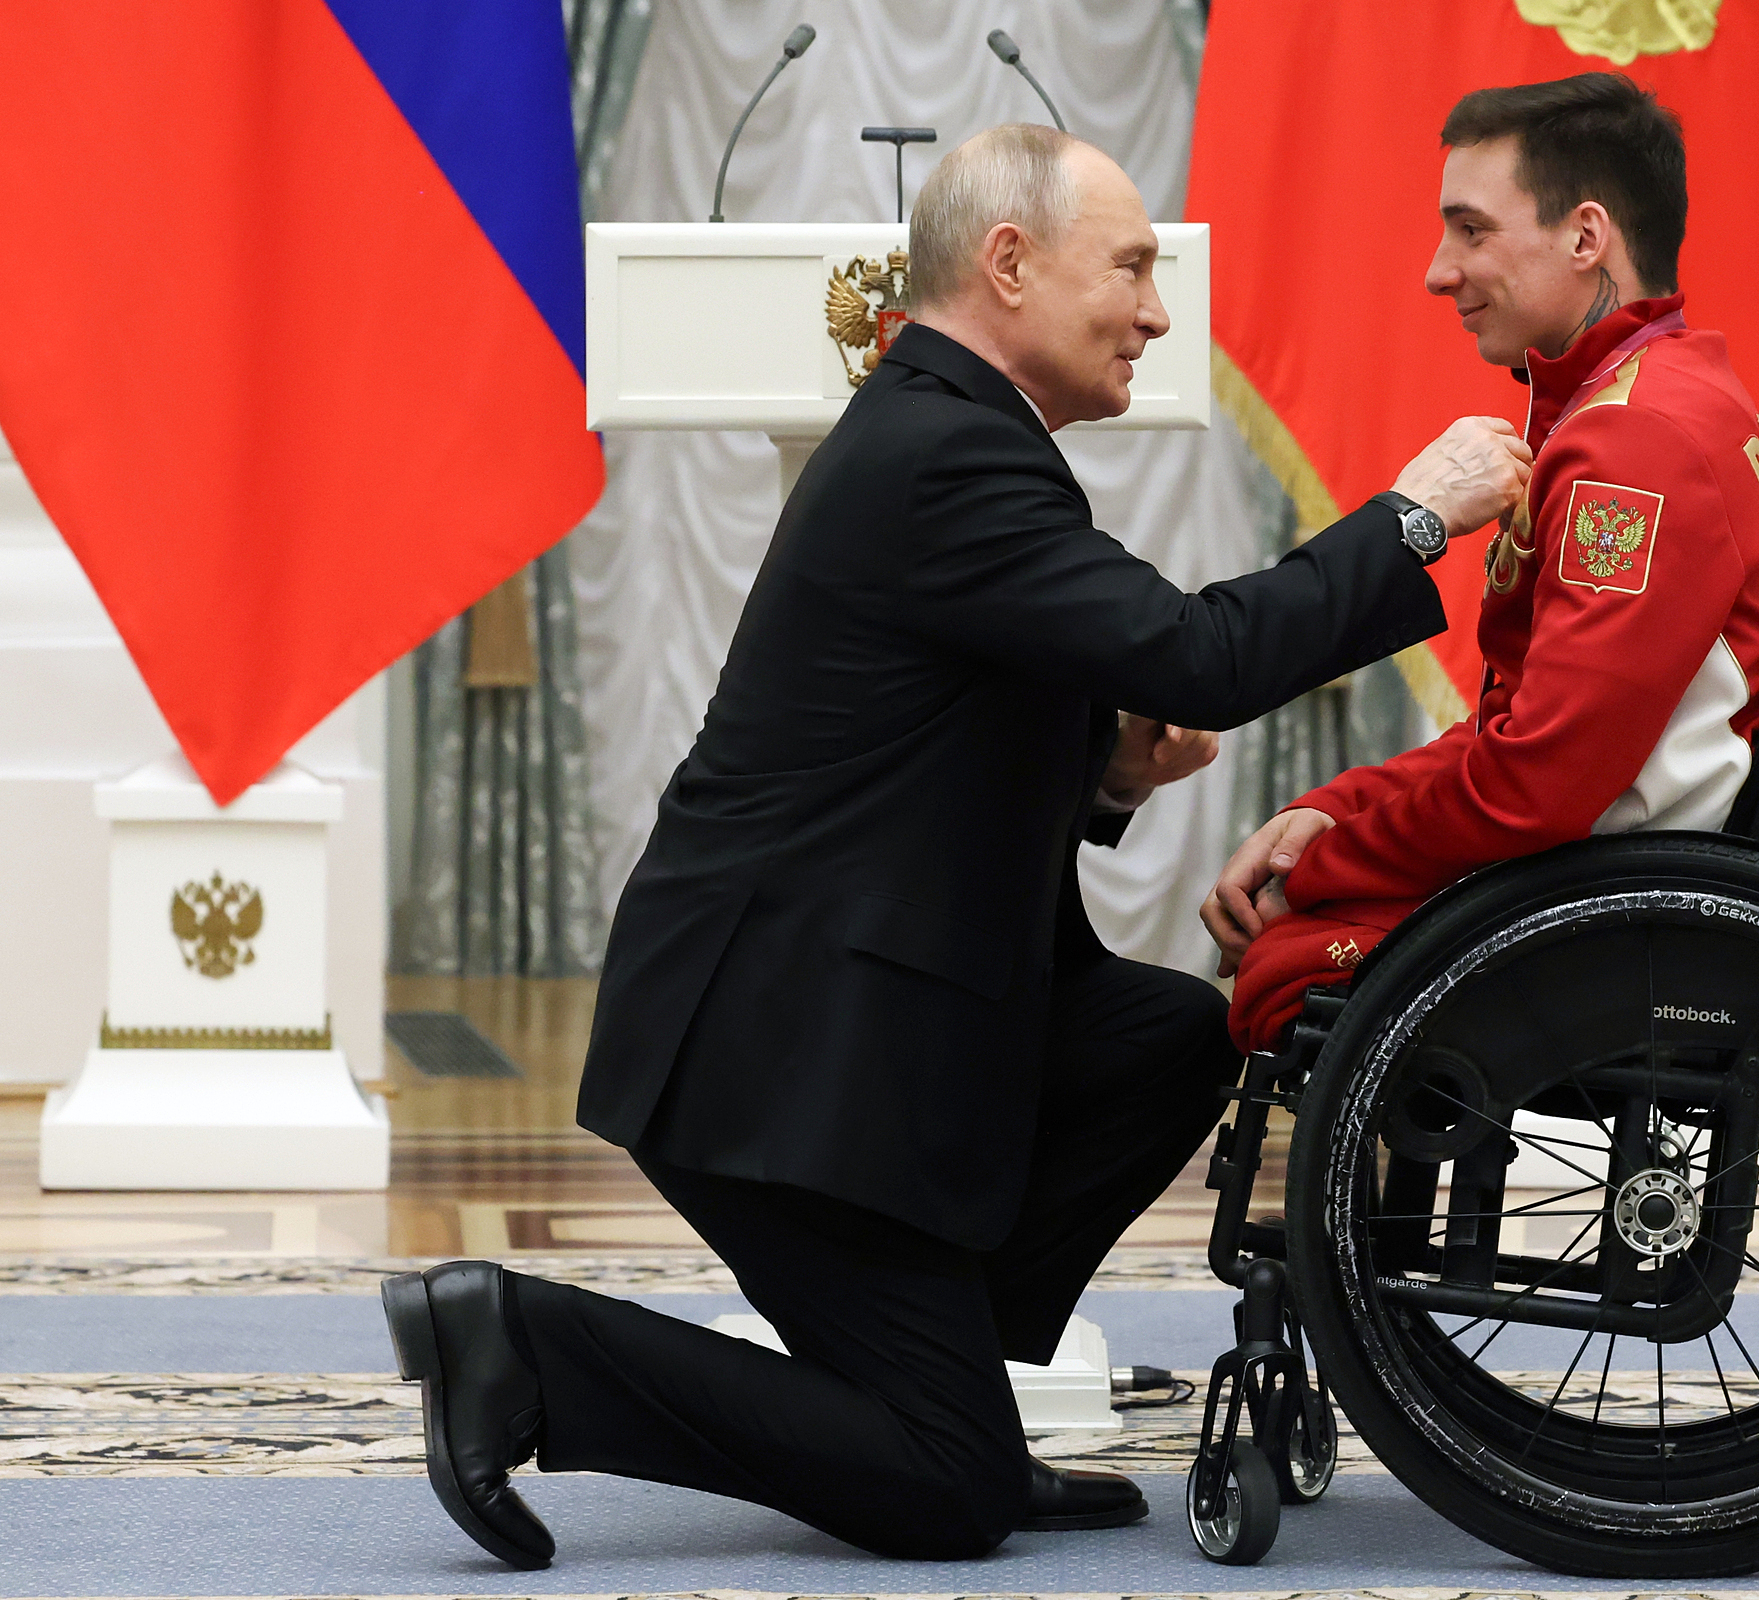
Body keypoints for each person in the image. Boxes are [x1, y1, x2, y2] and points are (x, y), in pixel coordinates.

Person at [379, 124, 1532, 1569]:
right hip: (778, 1050)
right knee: (944, 1496)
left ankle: (938, 1394)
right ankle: (524, 1343)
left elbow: (931, 754)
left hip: (854, 1011)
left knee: (1167, 1035)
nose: (1157, 311)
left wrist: (1106, 774)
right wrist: (1417, 513)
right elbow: (1196, 650)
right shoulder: (943, 454)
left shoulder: (955, 438)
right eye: (1129, 267)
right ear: (1008, 265)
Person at [1203, 74, 1759, 1049]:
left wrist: (1323, 867)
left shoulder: (1637, 442)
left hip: (1627, 905)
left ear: (1585, 237)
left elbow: (1540, 779)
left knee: (1282, 966)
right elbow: (1524, 729)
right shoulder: (1651, 392)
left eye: (1471, 230)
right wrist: (1335, 807)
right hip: (1614, 865)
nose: (1437, 271)